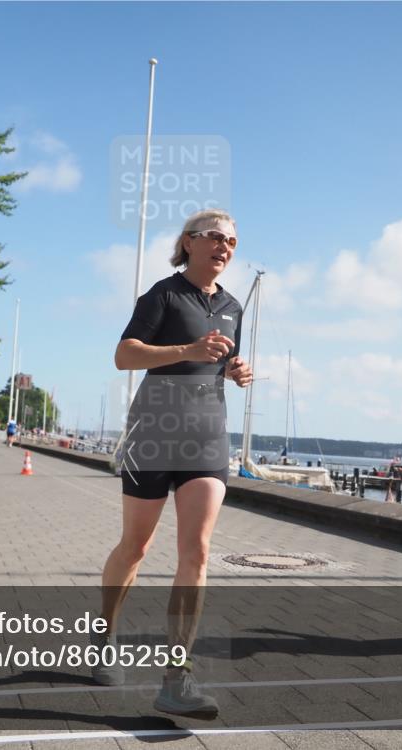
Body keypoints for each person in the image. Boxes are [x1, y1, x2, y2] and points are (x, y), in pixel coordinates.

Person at [93, 209, 252, 718]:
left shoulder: (232, 306)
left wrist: (235, 370)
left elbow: (219, 362)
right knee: (135, 548)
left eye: (231, 240)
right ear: (188, 242)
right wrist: (186, 347)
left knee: (197, 553)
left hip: (206, 438)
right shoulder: (162, 294)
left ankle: (176, 678)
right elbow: (124, 355)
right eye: (214, 237)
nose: (224, 247)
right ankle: (106, 634)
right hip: (153, 435)